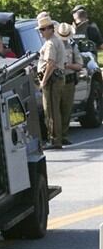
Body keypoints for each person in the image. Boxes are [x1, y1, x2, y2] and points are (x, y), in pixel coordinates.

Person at [37, 14, 66, 149]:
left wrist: (43, 81)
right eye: (40, 29)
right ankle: (55, 139)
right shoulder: (55, 41)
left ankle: (54, 140)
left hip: (52, 80)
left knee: (51, 111)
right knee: (53, 110)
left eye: (43, 29)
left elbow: (51, 64)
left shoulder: (51, 43)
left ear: (50, 29)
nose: (41, 32)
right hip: (56, 79)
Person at [59, 22, 83, 146]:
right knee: (54, 111)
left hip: (68, 81)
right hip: (55, 81)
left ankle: (63, 135)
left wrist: (68, 65)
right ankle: (54, 136)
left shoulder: (73, 46)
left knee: (66, 110)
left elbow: (79, 65)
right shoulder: (53, 45)